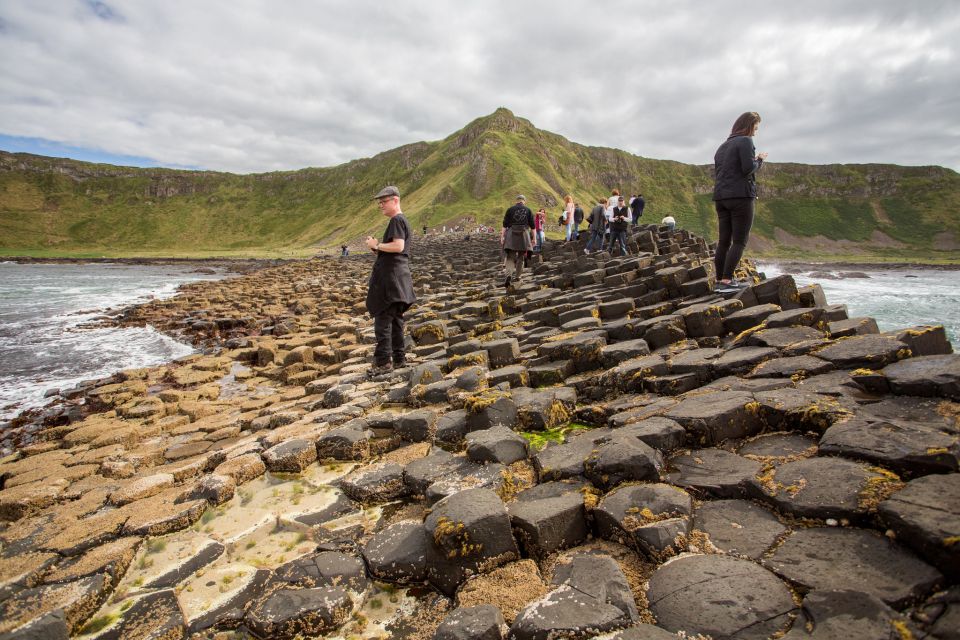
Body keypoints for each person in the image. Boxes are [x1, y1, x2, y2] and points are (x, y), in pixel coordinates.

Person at [365, 186, 416, 376]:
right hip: (399, 277)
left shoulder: (396, 220)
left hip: (391, 279)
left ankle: (383, 363)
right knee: (395, 320)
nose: (381, 205)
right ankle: (399, 359)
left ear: (395, 200)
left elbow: (398, 246)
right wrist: (376, 249)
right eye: (380, 202)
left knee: (383, 320)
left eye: (384, 201)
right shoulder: (403, 221)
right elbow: (397, 250)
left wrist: (376, 244)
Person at [713, 111, 767, 291]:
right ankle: (727, 281)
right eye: (755, 127)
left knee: (723, 242)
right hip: (740, 197)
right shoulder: (745, 141)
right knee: (739, 241)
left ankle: (720, 280)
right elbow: (747, 168)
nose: (755, 132)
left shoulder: (722, 146)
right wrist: (759, 160)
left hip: (721, 197)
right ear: (749, 126)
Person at [501, 194, 536, 284]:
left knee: (510, 257)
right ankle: (517, 277)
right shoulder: (528, 210)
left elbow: (505, 225)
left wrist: (502, 236)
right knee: (521, 257)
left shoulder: (510, 209)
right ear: (524, 201)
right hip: (523, 234)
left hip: (511, 233)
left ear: (516, 201)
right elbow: (533, 227)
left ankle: (508, 275)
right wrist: (534, 239)